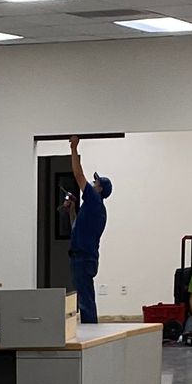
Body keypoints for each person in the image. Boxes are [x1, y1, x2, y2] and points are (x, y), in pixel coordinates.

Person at [66, 135, 112, 325]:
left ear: (100, 189)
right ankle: (90, 330)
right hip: (85, 256)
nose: (93, 184)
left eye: (96, 183)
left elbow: (78, 175)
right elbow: (77, 227)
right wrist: (72, 210)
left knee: (85, 300)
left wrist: (74, 149)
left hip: (83, 257)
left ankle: (91, 333)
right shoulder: (95, 209)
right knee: (85, 296)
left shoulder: (94, 201)